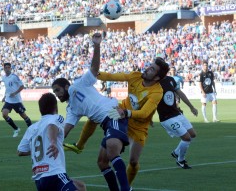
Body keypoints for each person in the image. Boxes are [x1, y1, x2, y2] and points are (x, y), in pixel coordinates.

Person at [64, 57, 170, 187]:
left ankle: (127, 186)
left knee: (133, 161)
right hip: (120, 113)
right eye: (149, 66)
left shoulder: (157, 92)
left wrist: (126, 113)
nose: (147, 68)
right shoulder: (135, 76)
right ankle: (79, 145)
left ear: (156, 78)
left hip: (138, 126)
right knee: (95, 115)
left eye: (152, 69)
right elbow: (111, 76)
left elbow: (144, 113)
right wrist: (95, 74)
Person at [52, 33, 131, 191]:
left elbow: (94, 69)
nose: (57, 94)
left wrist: (97, 45)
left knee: (112, 149)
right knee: (102, 162)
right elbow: (66, 129)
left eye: (58, 90)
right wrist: (53, 142)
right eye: (54, 93)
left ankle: (126, 189)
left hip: (113, 113)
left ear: (66, 87)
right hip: (106, 123)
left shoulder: (78, 85)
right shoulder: (71, 109)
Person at [17, 93, 86, 191]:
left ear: (40, 109)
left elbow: (20, 151)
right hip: (54, 173)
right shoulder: (57, 118)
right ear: (55, 107)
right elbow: (51, 126)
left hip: (39, 180)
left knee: (80, 186)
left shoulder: (32, 128)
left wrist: (41, 148)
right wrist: (53, 142)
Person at [157, 75, 198, 169]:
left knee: (192, 134)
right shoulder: (154, 83)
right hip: (166, 117)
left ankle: (176, 152)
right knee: (186, 138)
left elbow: (180, 93)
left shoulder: (170, 80)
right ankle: (180, 160)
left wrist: (191, 107)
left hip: (177, 113)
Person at [0, 62, 32, 137]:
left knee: (23, 116)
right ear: (4, 69)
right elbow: (7, 88)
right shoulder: (4, 78)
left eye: (9, 67)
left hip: (16, 101)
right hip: (8, 100)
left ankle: (31, 130)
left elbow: (22, 86)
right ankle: (16, 129)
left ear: (10, 68)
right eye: (6, 68)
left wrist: (15, 93)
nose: (7, 69)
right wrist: (4, 96)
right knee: (4, 114)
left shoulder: (14, 76)